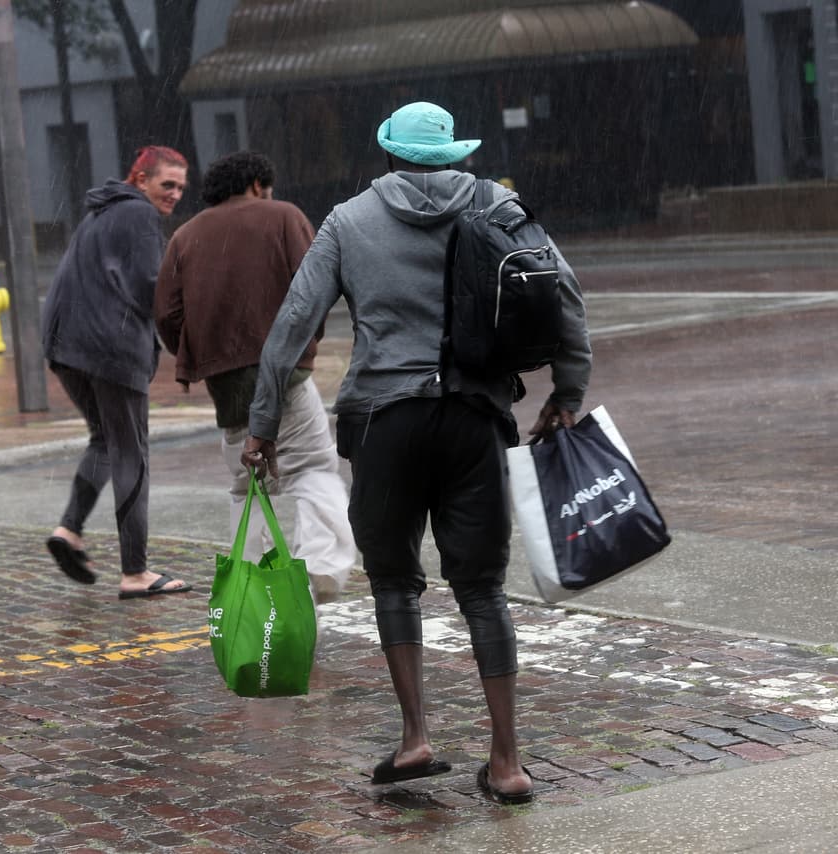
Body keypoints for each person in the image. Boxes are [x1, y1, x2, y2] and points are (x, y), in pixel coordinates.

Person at [240, 102, 591, 803]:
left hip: (384, 423)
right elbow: (565, 297)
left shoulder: (349, 220)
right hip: (475, 417)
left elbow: (290, 329)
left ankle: (415, 737)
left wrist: (262, 425)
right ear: (456, 152)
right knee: (483, 588)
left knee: (395, 581)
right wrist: (568, 389)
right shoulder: (499, 207)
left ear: (389, 152)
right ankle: (507, 761)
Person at [154, 151, 356, 603]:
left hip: (224, 381)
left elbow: (166, 312)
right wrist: (305, 340)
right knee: (312, 468)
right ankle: (320, 573)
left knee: (246, 485)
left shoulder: (185, 236)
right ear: (259, 184)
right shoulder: (283, 217)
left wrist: (201, 350)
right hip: (285, 373)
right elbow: (316, 285)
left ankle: (251, 589)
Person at [42, 145, 194, 600]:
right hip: (109, 346)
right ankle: (136, 572)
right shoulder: (140, 215)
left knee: (106, 442)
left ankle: (69, 529)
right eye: (167, 184)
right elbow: (154, 287)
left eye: (182, 188)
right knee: (131, 453)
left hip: (66, 344)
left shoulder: (99, 214)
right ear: (141, 178)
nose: (174, 195)